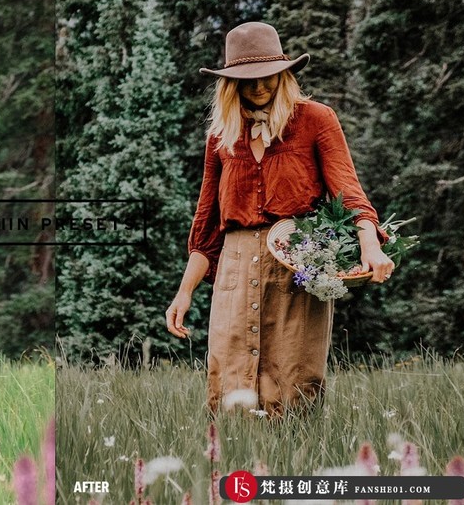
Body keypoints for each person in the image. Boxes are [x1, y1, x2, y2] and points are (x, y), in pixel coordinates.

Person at [165, 22, 394, 417]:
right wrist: (184, 293)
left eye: (267, 77)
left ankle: (290, 466)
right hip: (234, 272)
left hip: (295, 265)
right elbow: (206, 228)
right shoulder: (220, 137)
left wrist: (369, 246)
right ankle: (232, 467)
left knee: (293, 377)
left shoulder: (316, 119)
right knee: (230, 377)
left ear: (284, 73)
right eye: (246, 80)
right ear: (230, 84)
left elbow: (349, 193)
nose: (258, 88)